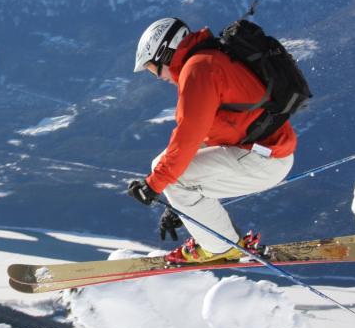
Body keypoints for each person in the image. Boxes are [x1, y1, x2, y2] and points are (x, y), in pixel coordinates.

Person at [126, 17, 297, 264]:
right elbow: (203, 135)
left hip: (263, 159)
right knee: (163, 166)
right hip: (262, 150)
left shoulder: (198, 70)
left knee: (174, 180)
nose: (156, 76)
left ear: (166, 51)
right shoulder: (209, 57)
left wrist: (154, 186)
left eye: (152, 68)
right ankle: (212, 236)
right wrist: (181, 207)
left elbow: (188, 136)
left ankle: (222, 248)